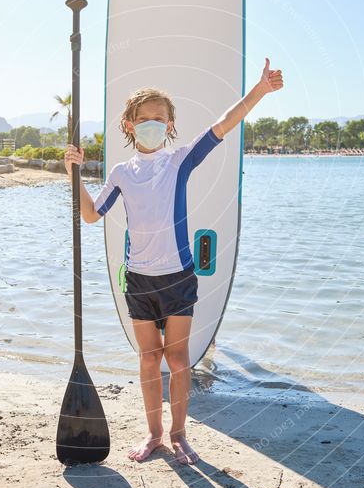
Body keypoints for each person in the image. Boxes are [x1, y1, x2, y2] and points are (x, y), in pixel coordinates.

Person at [65, 57, 283, 465]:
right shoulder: (121, 172)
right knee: (148, 358)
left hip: (178, 278)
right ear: (129, 124)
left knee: (178, 358)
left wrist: (260, 91)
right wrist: (74, 176)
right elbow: (92, 214)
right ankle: (153, 435)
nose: (153, 124)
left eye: (160, 118)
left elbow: (224, 122)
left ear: (169, 125)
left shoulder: (180, 159)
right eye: (144, 118)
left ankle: (180, 434)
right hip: (140, 280)